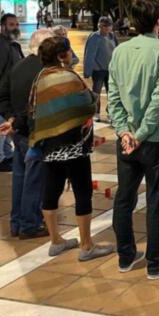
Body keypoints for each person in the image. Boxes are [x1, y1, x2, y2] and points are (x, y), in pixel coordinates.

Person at [108, 0, 159, 279]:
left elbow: (113, 96)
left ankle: (125, 255)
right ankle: (156, 262)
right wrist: (140, 135)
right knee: (156, 200)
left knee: (123, 198)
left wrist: (124, 132)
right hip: (155, 138)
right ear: (158, 22)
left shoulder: (120, 51)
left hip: (127, 138)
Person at [29, 36, 113, 262]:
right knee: (82, 193)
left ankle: (56, 241)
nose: (70, 55)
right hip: (74, 147)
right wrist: (93, 98)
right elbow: (86, 105)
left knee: (51, 192)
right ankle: (86, 245)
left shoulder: (40, 78)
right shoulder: (68, 76)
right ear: (60, 55)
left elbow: (36, 109)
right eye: (67, 51)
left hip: (49, 146)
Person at [0, 28, 54, 239]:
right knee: (34, 181)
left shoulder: (18, 67)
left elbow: (1, 98)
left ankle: (16, 223)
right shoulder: (44, 71)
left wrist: (10, 119)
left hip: (18, 133)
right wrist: (17, 122)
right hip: (33, 134)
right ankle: (30, 225)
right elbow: (35, 108)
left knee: (19, 179)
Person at [0, 13, 23, 173]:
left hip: (9, 94)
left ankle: (6, 155)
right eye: (11, 24)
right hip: (0, 95)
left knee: (7, 124)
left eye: (16, 24)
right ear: (3, 27)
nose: (15, 27)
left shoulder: (12, 45)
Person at [83, 17, 118, 121]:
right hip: (98, 70)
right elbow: (89, 54)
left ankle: (111, 113)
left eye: (109, 26)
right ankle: (96, 112)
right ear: (99, 26)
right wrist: (88, 71)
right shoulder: (94, 37)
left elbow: (117, 52)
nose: (106, 28)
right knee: (96, 92)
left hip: (111, 70)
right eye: (104, 26)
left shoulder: (112, 36)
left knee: (112, 92)